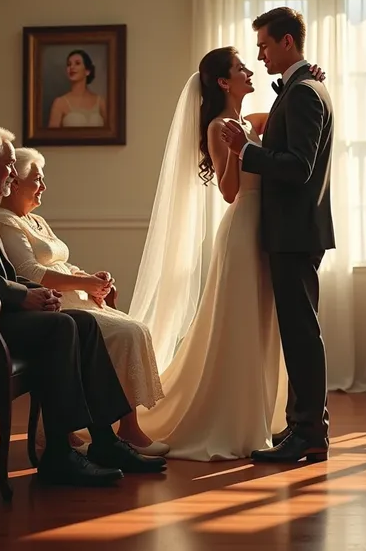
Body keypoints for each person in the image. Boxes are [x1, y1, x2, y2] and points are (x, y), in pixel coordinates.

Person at [0, 123, 166, 487]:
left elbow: (1, 271)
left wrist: (36, 292)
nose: (12, 172)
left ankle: (104, 441)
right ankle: (58, 452)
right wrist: (24, 295)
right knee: (63, 326)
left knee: (82, 323)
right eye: (9, 164)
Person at [128, 42, 325, 461]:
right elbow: (229, 190)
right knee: (237, 325)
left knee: (261, 326)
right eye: (240, 67)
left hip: (268, 231)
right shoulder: (221, 126)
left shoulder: (249, 120)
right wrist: (237, 152)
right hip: (242, 230)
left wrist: (312, 81)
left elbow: (288, 130)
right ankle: (229, 419)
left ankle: (260, 414)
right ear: (223, 81)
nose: (250, 70)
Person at [0, 147, 168, 456]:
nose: (44, 187)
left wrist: (92, 280)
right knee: (126, 333)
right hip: (55, 306)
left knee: (135, 326)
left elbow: (62, 264)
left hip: (79, 300)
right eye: (37, 180)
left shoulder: (36, 221)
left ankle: (125, 426)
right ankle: (119, 429)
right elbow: (31, 273)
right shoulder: (6, 223)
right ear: (15, 184)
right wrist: (85, 284)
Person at [222, 7, 335, 463]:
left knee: (302, 334)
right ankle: (303, 427)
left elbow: (298, 167)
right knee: (298, 333)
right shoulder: (304, 87)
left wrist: (246, 151)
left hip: (295, 232)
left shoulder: (305, 92)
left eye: (265, 45)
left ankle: (309, 433)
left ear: (287, 42)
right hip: (293, 231)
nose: (260, 54)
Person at [48, 50, 106, 128]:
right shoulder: (59, 103)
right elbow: (50, 138)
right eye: (69, 64)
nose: (72, 67)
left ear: (87, 71)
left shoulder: (101, 102)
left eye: (77, 63)